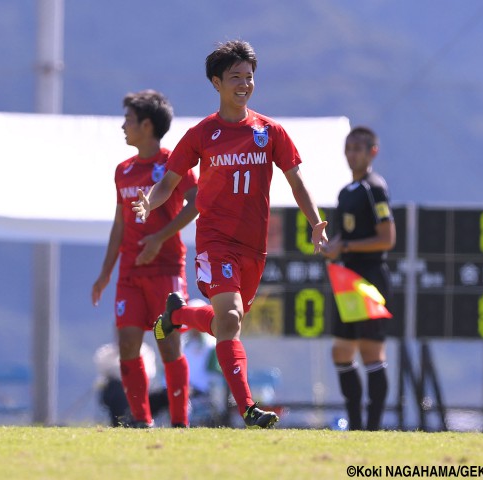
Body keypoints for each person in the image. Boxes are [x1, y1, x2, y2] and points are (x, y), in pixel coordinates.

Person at [132, 40, 328, 429]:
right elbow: (169, 181)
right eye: (235, 77)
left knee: (226, 324)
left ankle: (178, 314)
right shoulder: (202, 134)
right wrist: (150, 203)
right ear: (216, 83)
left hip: (254, 248)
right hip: (215, 242)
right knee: (232, 317)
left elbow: (297, 180)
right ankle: (248, 409)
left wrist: (315, 221)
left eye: (249, 76)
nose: (244, 84)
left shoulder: (270, 131)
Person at [91, 90, 198, 428]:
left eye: (129, 121)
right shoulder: (122, 170)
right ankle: (142, 421)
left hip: (166, 270)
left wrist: (159, 238)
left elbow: (197, 204)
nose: (123, 126)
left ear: (147, 125)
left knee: (167, 346)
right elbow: (119, 224)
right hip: (129, 275)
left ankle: (180, 423)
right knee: (127, 346)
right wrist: (105, 273)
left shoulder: (173, 164)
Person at [320, 126, 396, 431]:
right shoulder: (345, 192)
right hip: (347, 278)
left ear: (372, 152)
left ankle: (373, 428)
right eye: (348, 148)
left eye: (358, 149)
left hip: (370, 279)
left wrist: (347, 246)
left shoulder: (374, 188)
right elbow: (344, 235)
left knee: (370, 351)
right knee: (341, 351)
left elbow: (387, 237)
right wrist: (331, 245)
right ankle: (354, 424)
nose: (351, 154)